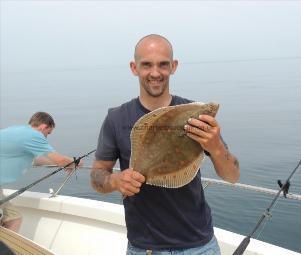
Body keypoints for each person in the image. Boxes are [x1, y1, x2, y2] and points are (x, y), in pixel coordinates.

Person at [91, 34, 240, 254]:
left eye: (163, 64)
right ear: (134, 68)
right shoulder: (116, 118)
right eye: (146, 65)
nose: (155, 73)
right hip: (145, 247)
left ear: (174, 66)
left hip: (199, 245)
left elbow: (232, 176)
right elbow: (97, 175)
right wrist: (115, 180)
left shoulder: (195, 113)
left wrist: (216, 147)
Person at [0, 112, 82, 232]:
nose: (46, 137)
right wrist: (76, 162)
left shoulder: (16, 131)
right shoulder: (33, 135)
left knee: (13, 218)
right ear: (43, 127)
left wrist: (62, 164)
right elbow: (60, 159)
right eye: (48, 133)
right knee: (14, 219)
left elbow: (36, 159)